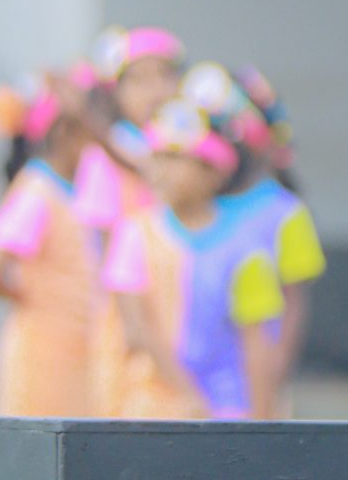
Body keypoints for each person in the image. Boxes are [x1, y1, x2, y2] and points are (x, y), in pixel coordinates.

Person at [100, 100, 283, 420]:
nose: (161, 170)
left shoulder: (245, 249)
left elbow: (256, 340)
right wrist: (190, 399)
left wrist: (262, 420)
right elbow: (137, 329)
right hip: (152, 406)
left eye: (175, 159)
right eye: (157, 158)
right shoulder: (135, 235)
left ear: (213, 171)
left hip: (228, 409)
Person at [184, 63, 326, 404]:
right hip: (186, 386)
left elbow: (293, 300)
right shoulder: (192, 206)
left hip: (251, 385)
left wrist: (275, 370)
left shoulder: (284, 212)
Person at [75, 26, 185, 415]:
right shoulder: (105, 159)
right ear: (116, 92)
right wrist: (128, 321)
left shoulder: (189, 152)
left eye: (165, 76)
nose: (155, 90)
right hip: (127, 311)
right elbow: (103, 248)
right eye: (139, 80)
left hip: (184, 301)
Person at [0, 76, 99, 417]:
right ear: (64, 133)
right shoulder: (38, 191)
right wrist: (35, 298)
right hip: (42, 349)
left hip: (77, 347)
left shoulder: (78, 190)